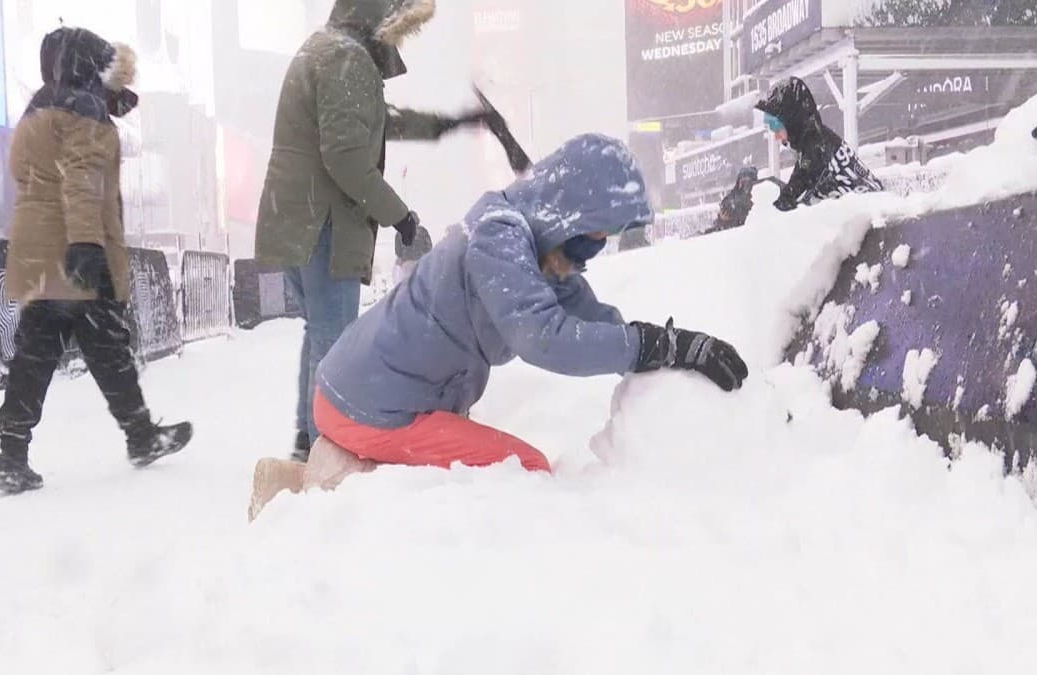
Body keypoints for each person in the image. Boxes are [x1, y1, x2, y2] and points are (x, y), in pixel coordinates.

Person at [248, 134, 750, 519]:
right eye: (595, 233)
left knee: (483, 466)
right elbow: (545, 337)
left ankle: (307, 482)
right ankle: (320, 496)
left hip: (367, 393)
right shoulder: (499, 238)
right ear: (566, 211)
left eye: (607, 238)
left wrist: (668, 352)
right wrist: (653, 347)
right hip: (369, 407)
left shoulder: (538, 249)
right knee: (523, 471)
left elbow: (590, 319)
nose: (596, 248)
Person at [255, 0, 491, 461]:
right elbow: (345, 157)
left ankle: (308, 439)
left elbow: (376, 123)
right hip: (324, 225)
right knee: (334, 338)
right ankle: (323, 447)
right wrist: (399, 215)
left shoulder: (324, 49)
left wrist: (446, 124)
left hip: (296, 220)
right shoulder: (348, 59)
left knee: (321, 331)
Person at [0, 27, 193, 494]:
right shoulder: (84, 109)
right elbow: (80, 176)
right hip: (77, 249)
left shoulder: (41, 106)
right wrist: (85, 242)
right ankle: (140, 436)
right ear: (88, 67)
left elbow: (34, 172)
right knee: (104, 346)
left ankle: (11, 452)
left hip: (40, 248)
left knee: (42, 352)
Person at [755, 77, 883, 212]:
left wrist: (776, 209)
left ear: (791, 121)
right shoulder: (813, 138)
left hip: (867, 211)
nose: (776, 136)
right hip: (860, 207)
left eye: (776, 127)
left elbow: (799, 182)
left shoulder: (814, 144)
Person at [711, 166, 760, 233]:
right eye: (742, 181)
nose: (745, 185)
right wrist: (722, 219)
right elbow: (718, 224)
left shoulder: (759, 198)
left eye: (748, 182)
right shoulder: (730, 199)